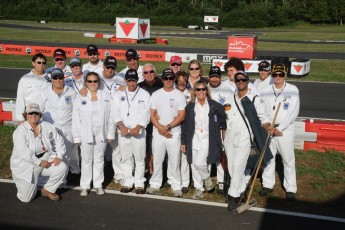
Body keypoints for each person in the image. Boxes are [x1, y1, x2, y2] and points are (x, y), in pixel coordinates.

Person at [223, 71, 271, 211]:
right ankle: (240, 192)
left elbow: (264, 119)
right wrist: (224, 137)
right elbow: (225, 120)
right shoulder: (229, 99)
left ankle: (233, 197)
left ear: (248, 81)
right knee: (232, 168)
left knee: (238, 167)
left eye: (243, 79)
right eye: (238, 80)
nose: (240, 81)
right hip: (229, 136)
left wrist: (270, 127)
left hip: (245, 137)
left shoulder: (254, 99)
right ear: (235, 82)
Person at [259, 63, 300, 201]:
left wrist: (279, 128)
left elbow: (292, 113)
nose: (278, 77)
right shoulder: (266, 90)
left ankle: (291, 188)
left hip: (285, 130)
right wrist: (268, 126)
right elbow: (261, 110)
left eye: (280, 74)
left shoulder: (293, 89)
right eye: (275, 74)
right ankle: (267, 185)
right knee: (268, 158)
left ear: (285, 75)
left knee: (288, 159)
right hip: (269, 129)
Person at [10, 103, 67, 202]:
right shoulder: (20, 131)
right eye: (30, 113)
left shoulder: (46, 126)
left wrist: (59, 155)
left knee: (62, 167)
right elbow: (23, 153)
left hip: (45, 158)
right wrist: (40, 163)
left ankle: (47, 189)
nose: (33, 116)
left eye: (36, 113)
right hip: (26, 165)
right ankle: (29, 183)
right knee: (26, 199)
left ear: (40, 115)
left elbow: (59, 140)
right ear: (26, 115)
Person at [181, 80, 227, 199]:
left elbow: (224, 123)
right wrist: (183, 142)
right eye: (198, 89)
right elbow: (185, 127)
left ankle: (207, 181)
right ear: (194, 92)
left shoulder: (215, 106)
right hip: (194, 138)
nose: (201, 91)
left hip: (209, 139)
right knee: (193, 164)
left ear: (206, 91)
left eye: (203, 89)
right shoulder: (190, 107)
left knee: (199, 162)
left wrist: (223, 138)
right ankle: (199, 188)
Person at [146, 69, 186, 197]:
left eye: (171, 78)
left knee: (174, 160)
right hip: (158, 132)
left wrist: (167, 127)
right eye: (166, 78)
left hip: (173, 133)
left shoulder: (179, 95)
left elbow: (181, 116)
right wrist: (160, 128)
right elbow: (151, 114)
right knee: (157, 160)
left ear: (174, 79)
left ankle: (175, 185)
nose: (168, 81)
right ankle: (154, 184)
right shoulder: (156, 94)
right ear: (162, 79)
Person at [111, 69, 151, 194]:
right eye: (129, 81)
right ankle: (127, 181)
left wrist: (139, 126)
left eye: (134, 81)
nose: (132, 83)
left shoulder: (145, 94)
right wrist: (120, 125)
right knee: (126, 157)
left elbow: (147, 112)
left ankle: (139, 183)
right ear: (125, 81)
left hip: (138, 131)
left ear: (137, 80)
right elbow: (114, 110)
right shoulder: (119, 94)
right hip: (123, 130)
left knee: (139, 158)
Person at [72, 72, 112, 196]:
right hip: (86, 133)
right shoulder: (80, 97)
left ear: (99, 82)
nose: (93, 84)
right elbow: (76, 118)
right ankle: (85, 185)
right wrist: (77, 136)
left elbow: (111, 116)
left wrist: (110, 133)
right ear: (86, 83)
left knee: (99, 159)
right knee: (86, 160)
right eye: (90, 81)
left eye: (95, 81)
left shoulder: (106, 96)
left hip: (101, 133)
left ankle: (98, 184)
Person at [39, 68, 77, 186]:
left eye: (60, 77)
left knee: (65, 157)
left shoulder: (71, 92)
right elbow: (39, 111)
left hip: (68, 130)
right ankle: (45, 181)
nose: (58, 80)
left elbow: (77, 112)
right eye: (55, 78)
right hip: (51, 130)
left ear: (63, 78)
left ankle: (61, 181)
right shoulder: (44, 92)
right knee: (50, 156)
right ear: (51, 79)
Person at [207, 66, 232, 195]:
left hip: (221, 126)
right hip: (206, 127)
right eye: (212, 76)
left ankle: (221, 182)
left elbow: (229, 111)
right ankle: (205, 180)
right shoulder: (204, 89)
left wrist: (225, 127)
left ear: (221, 77)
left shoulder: (228, 91)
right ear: (209, 77)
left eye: (217, 76)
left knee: (221, 153)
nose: (214, 79)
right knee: (207, 153)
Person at [138, 63, 163, 175]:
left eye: (151, 71)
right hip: (145, 120)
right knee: (146, 146)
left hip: (159, 120)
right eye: (146, 72)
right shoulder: (139, 86)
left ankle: (154, 168)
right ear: (143, 75)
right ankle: (147, 167)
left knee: (155, 146)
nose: (149, 74)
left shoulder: (162, 84)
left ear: (155, 72)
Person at [15, 53, 51, 124]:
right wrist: (20, 119)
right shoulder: (25, 79)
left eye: (43, 63)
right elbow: (20, 100)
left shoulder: (50, 78)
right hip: (31, 115)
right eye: (39, 62)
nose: (41, 65)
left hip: (46, 116)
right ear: (33, 63)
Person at [175, 70, 191, 193]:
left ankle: (185, 182)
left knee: (184, 156)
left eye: (184, 81)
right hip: (173, 127)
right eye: (179, 81)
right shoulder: (172, 93)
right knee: (174, 156)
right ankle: (175, 180)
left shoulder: (190, 94)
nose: (181, 83)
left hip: (186, 127)